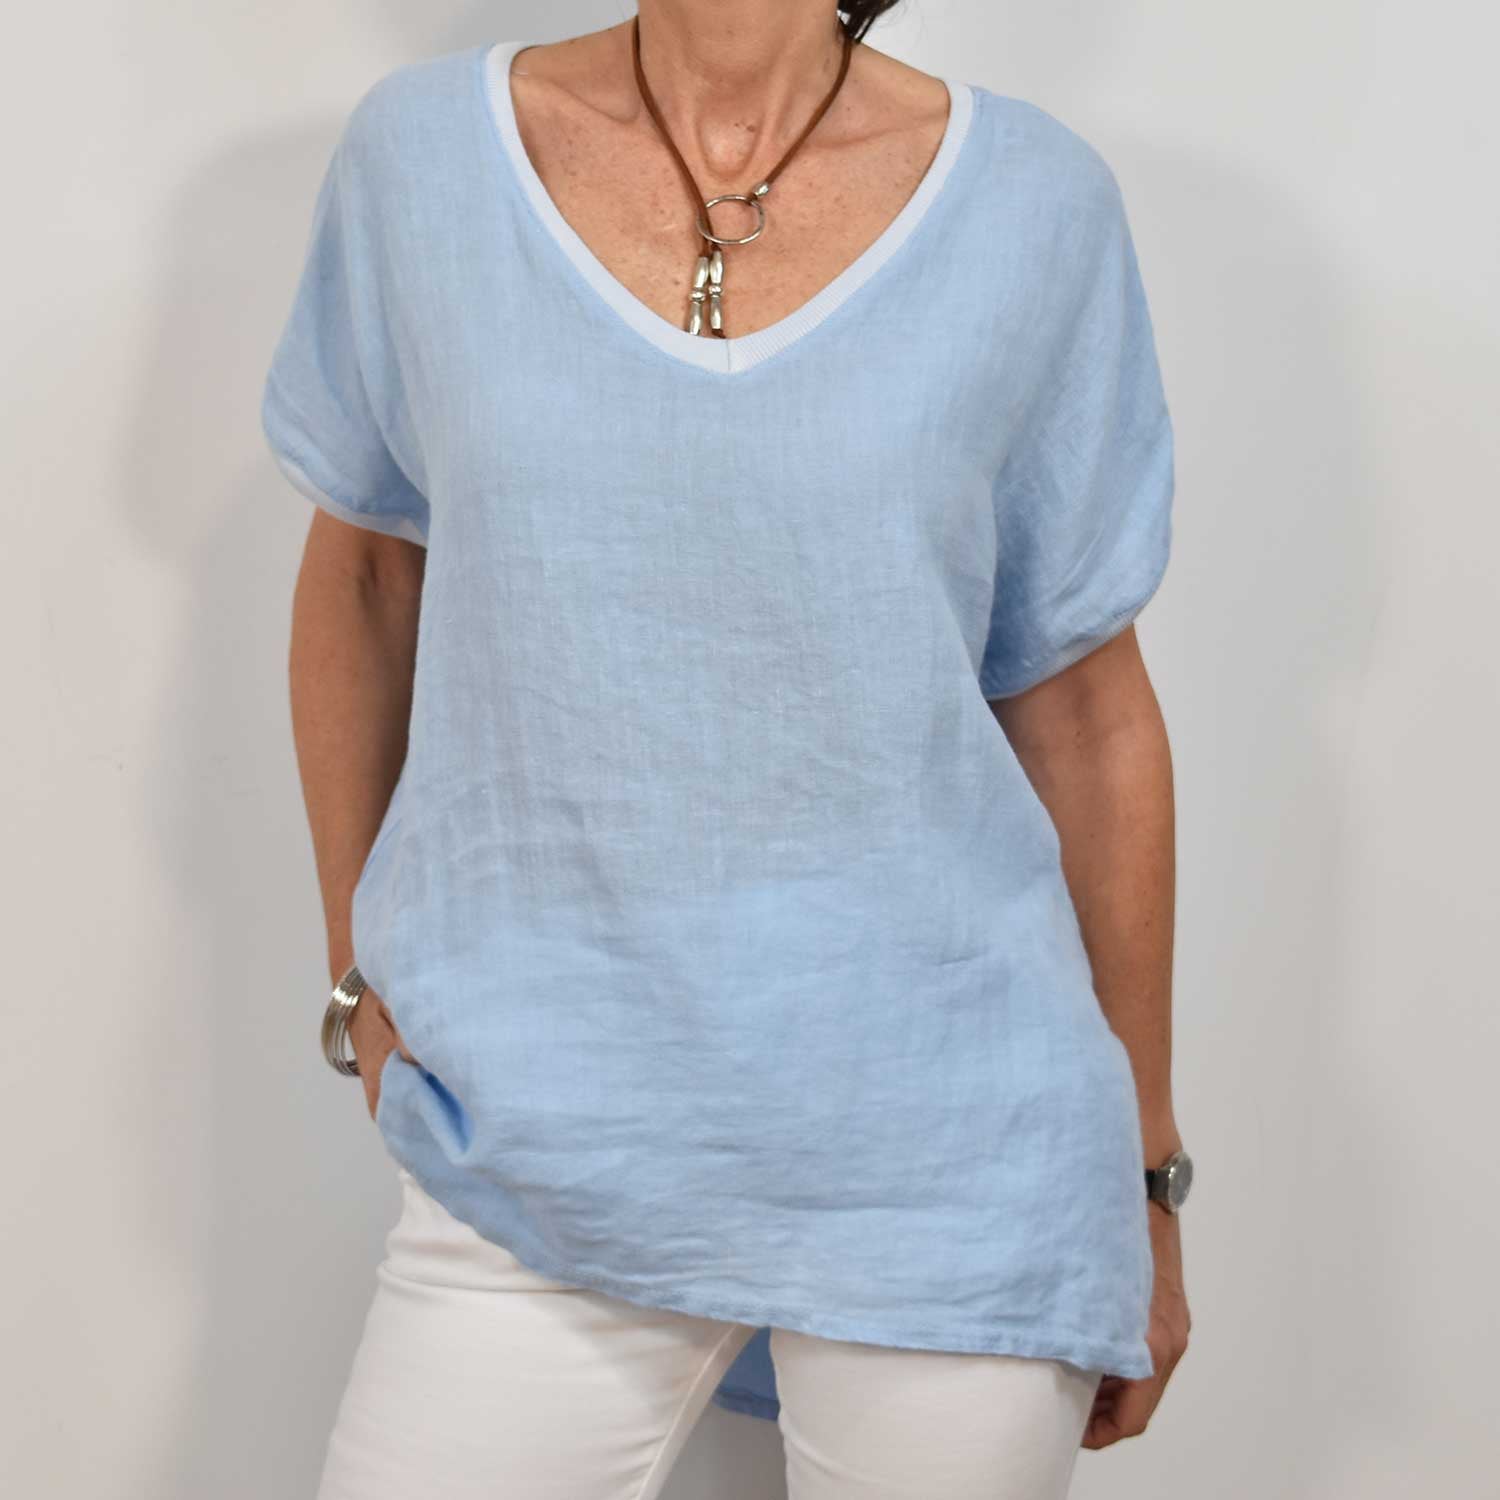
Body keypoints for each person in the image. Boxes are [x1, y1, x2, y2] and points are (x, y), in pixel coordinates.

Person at [262, 4, 1193, 1496]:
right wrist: (355, 980)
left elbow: (1083, 705)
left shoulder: (1037, 203)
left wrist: (1142, 1175)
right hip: (530, 1128)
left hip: (957, 1151)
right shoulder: (422, 159)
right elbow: (369, 574)